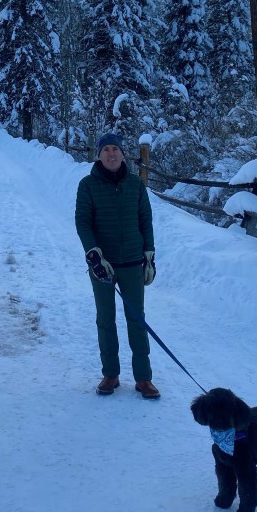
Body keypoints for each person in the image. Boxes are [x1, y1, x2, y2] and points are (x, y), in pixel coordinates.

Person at [75, 132, 160, 399]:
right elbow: (83, 222)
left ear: (123, 154)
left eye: (116, 149)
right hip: (103, 265)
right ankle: (110, 374)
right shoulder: (87, 185)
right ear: (99, 154)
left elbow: (145, 220)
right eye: (106, 150)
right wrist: (94, 256)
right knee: (105, 318)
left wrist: (149, 255)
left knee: (137, 319)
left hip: (133, 261)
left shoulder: (135, 184)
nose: (111, 154)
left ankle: (144, 378)